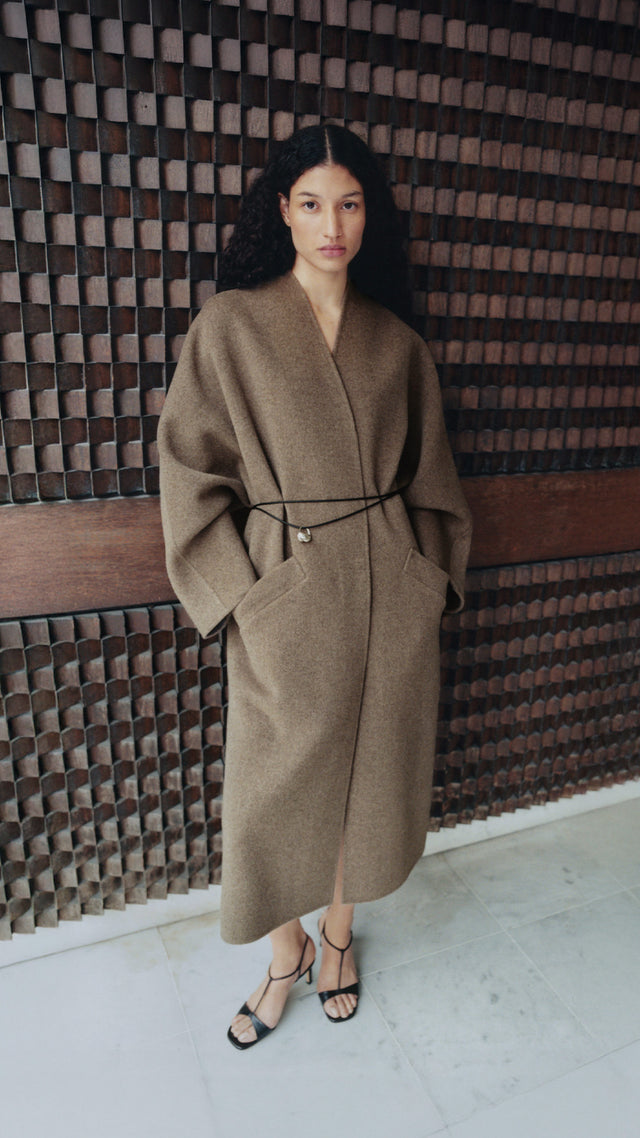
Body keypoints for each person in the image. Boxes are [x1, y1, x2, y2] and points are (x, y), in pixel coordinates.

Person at [157, 123, 472, 1050]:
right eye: (312, 203)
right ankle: (283, 949)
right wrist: (243, 598)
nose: (332, 225)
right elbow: (190, 472)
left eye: (350, 204)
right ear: (283, 213)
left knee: (370, 778)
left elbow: (433, 480)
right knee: (275, 788)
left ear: (369, 217)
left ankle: (339, 937)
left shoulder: (396, 343)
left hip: (387, 589)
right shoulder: (231, 326)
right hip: (285, 590)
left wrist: (426, 583)